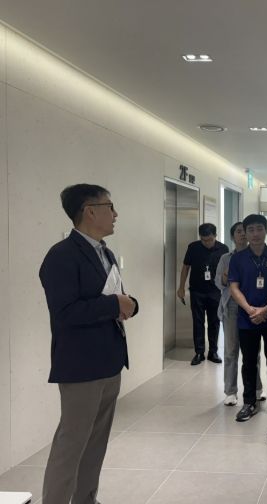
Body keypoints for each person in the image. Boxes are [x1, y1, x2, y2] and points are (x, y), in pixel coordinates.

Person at [39, 184, 139, 504]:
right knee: (71, 443)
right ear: (90, 211)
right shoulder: (61, 256)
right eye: (110, 206)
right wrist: (114, 305)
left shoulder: (105, 252)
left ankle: (86, 498)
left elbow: (115, 295)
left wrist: (129, 304)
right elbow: (65, 312)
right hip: (81, 365)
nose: (116, 214)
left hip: (109, 360)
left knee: (96, 442)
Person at [229, 214, 267, 421]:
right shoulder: (238, 258)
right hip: (247, 319)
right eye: (250, 230)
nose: (255, 234)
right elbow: (234, 287)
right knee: (249, 362)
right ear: (245, 233)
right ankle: (249, 402)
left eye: (259, 229)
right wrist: (250, 310)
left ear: (266, 231)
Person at [214, 222, 265, 406]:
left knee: (253, 351)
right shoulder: (226, 258)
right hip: (231, 307)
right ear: (232, 236)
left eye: (245, 231)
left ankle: (257, 388)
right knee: (231, 350)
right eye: (238, 232)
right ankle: (230, 391)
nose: (242, 234)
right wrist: (224, 277)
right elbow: (218, 283)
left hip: (251, 307)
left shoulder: (256, 256)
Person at [177, 223, 229, 365]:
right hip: (197, 291)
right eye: (203, 240)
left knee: (214, 322)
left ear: (215, 236)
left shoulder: (223, 249)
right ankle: (199, 352)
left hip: (215, 291)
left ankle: (213, 352)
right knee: (198, 322)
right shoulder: (193, 247)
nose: (207, 243)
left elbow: (227, 271)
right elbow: (185, 267)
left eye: (210, 240)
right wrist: (181, 287)